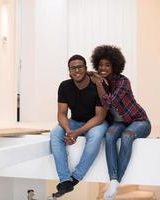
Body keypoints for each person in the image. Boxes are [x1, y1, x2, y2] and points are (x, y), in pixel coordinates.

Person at [89, 45, 151, 199]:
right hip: (120, 122)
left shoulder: (123, 82)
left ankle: (115, 181)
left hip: (139, 121)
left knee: (127, 136)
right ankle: (114, 179)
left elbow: (109, 103)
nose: (103, 68)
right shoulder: (101, 81)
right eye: (101, 64)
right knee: (109, 137)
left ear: (115, 66)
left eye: (107, 65)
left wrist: (97, 83)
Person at [50, 54, 108, 197]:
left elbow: (100, 116)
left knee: (96, 135)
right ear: (69, 71)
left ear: (85, 68)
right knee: (56, 133)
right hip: (75, 121)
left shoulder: (98, 85)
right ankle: (65, 180)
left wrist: (77, 132)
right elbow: (62, 114)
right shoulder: (64, 86)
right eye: (73, 68)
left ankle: (75, 177)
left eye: (80, 67)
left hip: (96, 122)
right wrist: (69, 130)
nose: (77, 70)